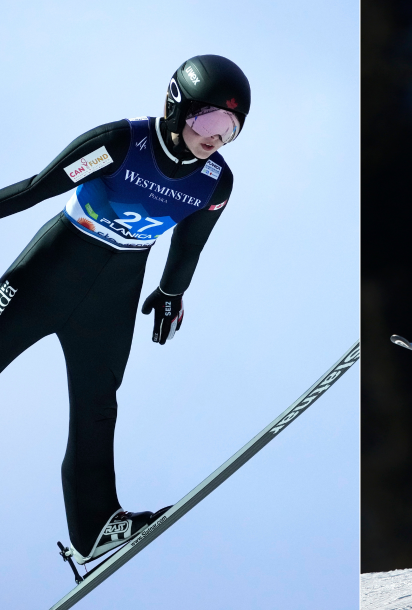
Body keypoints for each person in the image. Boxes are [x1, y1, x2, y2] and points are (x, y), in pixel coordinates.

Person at [0, 55, 249, 563]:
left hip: (115, 295)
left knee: (97, 407)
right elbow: (34, 190)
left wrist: (171, 293)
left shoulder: (214, 183)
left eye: (231, 129)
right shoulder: (120, 143)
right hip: (53, 270)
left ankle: (96, 528)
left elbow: (189, 246)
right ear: (177, 108)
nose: (215, 138)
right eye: (209, 121)